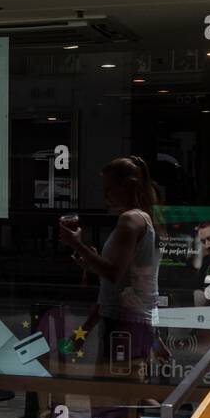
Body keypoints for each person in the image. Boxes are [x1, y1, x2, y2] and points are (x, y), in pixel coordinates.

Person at [60, 156, 163, 380]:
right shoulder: (143, 219)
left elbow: (113, 273)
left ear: (127, 186)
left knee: (114, 396)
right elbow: (123, 282)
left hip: (124, 324)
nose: (105, 196)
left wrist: (76, 243)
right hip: (133, 322)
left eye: (109, 189)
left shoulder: (129, 220)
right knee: (124, 394)